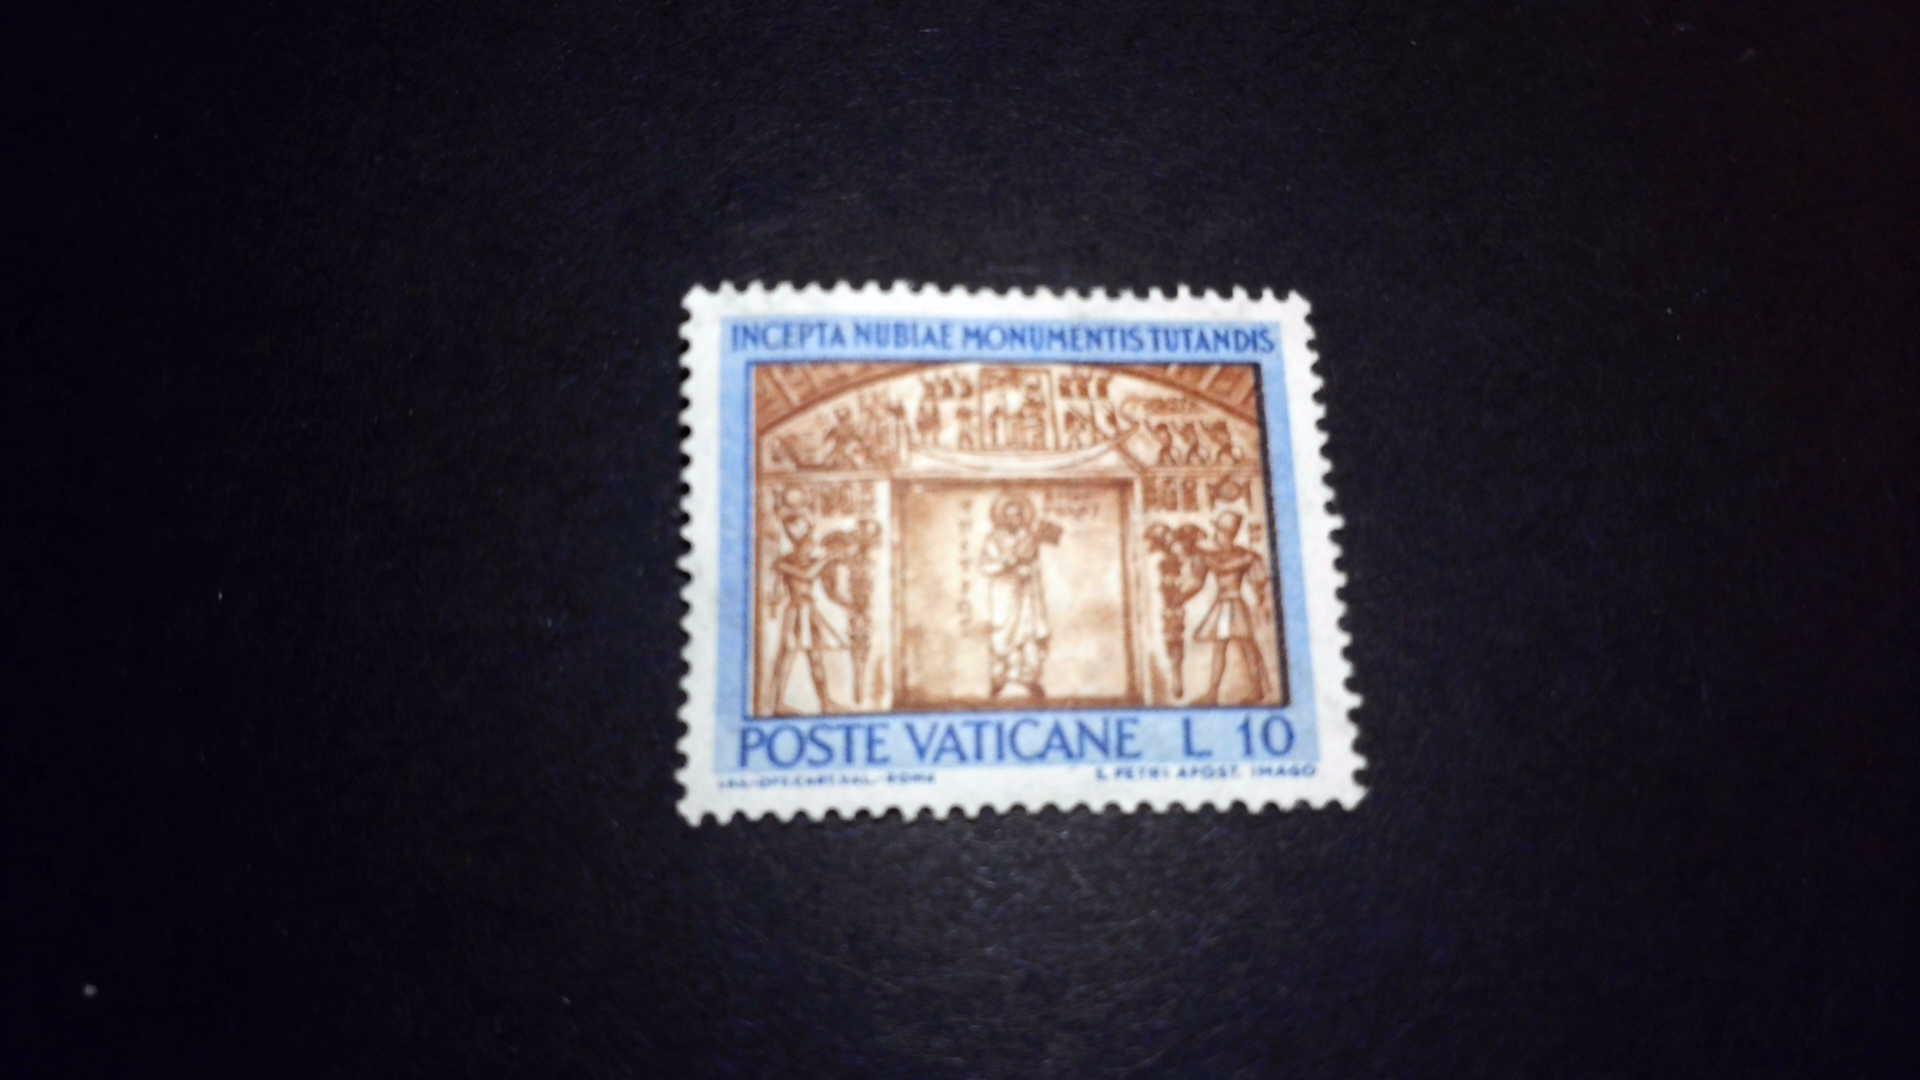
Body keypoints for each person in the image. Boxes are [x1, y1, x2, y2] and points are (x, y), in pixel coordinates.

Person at [767, 510, 844, 714]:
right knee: (787, 656)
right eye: (800, 529)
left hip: (809, 610)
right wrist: (827, 558)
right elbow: (806, 575)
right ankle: (777, 703)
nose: (810, 544)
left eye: (810, 540)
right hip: (795, 611)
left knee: (816, 657)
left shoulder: (811, 560)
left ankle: (825, 702)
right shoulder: (784, 561)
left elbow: (826, 582)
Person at [979, 493, 1055, 699]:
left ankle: (1029, 679)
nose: (1015, 519)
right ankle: (1000, 678)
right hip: (1004, 594)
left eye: (1019, 515)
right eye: (1011, 515)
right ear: (1003, 517)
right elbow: (985, 566)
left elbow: (1034, 566)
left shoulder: (1029, 537)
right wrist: (1006, 563)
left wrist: (1027, 572)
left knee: (1028, 634)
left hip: (1026, 594)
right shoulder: (993, 539)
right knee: (1004, 634)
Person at [1192, 510, 1271, 704]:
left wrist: (1262, 601)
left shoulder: (1244, 555)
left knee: (1247, 647)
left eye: (1219, 531)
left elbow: (1259, 581)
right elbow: (1199, 579)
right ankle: (1213, 693)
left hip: (1235, 603)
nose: (1215, 535)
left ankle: (1257, 690)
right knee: (1222, 647)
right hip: (1223, 603)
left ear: (1227, 533)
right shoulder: (1218, 554)